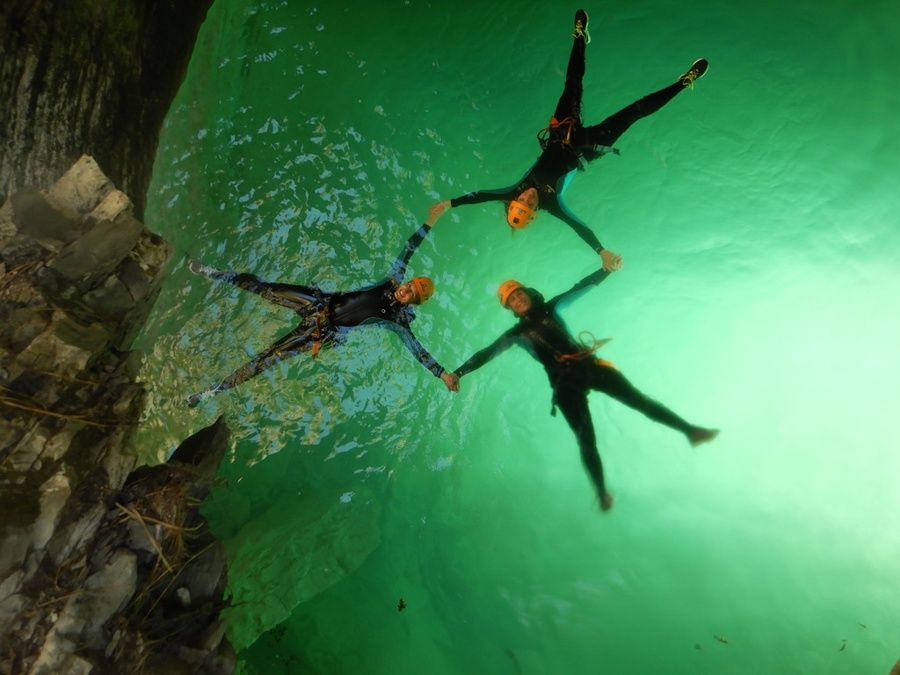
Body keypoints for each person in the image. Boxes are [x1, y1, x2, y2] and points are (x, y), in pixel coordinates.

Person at [428, 9, 709, 272]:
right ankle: (684, 82)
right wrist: (601, 252)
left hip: (561, 132)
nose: (527, 196)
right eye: (529, 203)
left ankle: (579, 37)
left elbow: (481, 196)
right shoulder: (553, 206)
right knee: (634, 112)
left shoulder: (514, 190)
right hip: (587, 147)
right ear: (536, 211)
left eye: (522, 200)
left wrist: (450, 203)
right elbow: (578, 228)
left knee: (573, 84)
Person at [447, 269, 718, 510]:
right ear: (511, 309)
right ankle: (601, 492)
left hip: (590, 366)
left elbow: (580, 287)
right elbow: (487, 353)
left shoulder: (550, 308)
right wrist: (458, 373)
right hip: (565, 385)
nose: (519, 300)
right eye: (513, 301)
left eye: (519, 295)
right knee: (586, 439)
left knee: (641, 402)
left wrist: (606, 270)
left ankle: (691, 431)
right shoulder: (515, 335)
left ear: (527, 294)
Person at [186, 218, 458, 407]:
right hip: (318, 303)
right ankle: (213, 273)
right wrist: (429, 224)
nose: (405, 290)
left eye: (411, 293)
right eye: (409, 284)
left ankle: (210, 392)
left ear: (415, 302)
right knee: (266, 289)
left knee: (268, 358)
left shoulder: (398, 321)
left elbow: (417, 350)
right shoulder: (392, 281)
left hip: (321, 331)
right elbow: (408, 249)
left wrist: (442, 373)